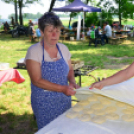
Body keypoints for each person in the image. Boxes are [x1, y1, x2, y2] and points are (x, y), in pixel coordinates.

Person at [25, 12, 80, 130]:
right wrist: (62, 88)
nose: (55, 35)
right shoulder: (34, 51)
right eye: (50, 31)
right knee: (49, 131)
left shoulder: (64, 49)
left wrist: (72, 81)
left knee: (65, 129)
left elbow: (70, 69)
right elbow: (37, 81)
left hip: (64, 100)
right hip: (44, 103)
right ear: (42, 31)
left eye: (58, 31)